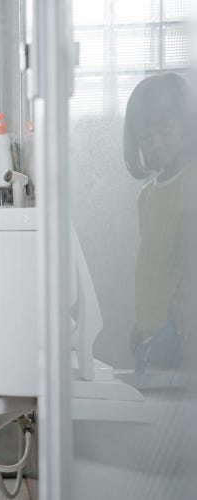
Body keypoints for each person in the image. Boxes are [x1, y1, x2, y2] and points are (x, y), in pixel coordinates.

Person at [122, 73, 194, 367]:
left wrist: (181, 323)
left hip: (183, 331)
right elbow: (152, 264)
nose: (156, 143)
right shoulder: (148, 195)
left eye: (165, 130)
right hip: (153, 332)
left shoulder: (190, 181)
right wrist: (143, 324)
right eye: (145, 138)